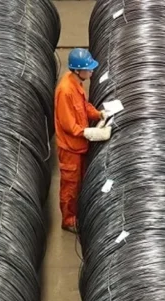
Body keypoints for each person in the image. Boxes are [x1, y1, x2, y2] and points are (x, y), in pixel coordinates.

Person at [54, 48, 112, 233]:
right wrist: (89, 132)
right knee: (70, 187)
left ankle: (78, 214)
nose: (92, 71)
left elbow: (83, 106)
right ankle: (68, 221)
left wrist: (98, 114)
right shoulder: (65, 91)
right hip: (70, 149)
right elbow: (69, 126)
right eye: (89, 69)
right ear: (78, 70)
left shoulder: (76, 83)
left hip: (79, 147)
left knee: (80, 183)